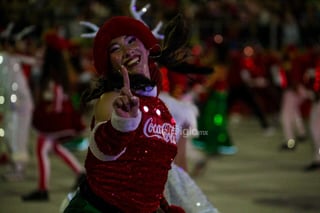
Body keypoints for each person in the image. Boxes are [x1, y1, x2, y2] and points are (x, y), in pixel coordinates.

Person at [63, 14, 196, 213]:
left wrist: (161, 205)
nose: (127, 51)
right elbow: (102, 152)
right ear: (110, 64)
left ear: (146, 46)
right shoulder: (112, 100)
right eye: (115, 49)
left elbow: (155, 171)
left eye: (131, 40)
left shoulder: (163, 109)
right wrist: (121, 123)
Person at [22, 30, 86, 201]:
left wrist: (54, 107)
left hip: (54, 115)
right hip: (58, 113)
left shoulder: (52, 68)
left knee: (41, 149)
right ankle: (80, 174)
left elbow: (57, 90)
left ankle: (43, 189)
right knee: (55, 147)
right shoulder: (60, 66)